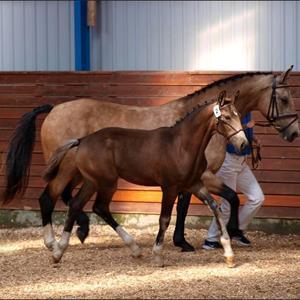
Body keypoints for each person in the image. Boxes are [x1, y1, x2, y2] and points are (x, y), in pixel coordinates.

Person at [203, 112, 265, 249]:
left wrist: (254, 138)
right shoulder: (232, 110)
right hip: (228, 160)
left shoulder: (247, 110)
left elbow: (244, 132)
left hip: (242, 161)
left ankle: (237, 231)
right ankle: (211, 239)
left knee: (257, 198)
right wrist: (245, 125)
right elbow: (223, 130)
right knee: (227, 204)